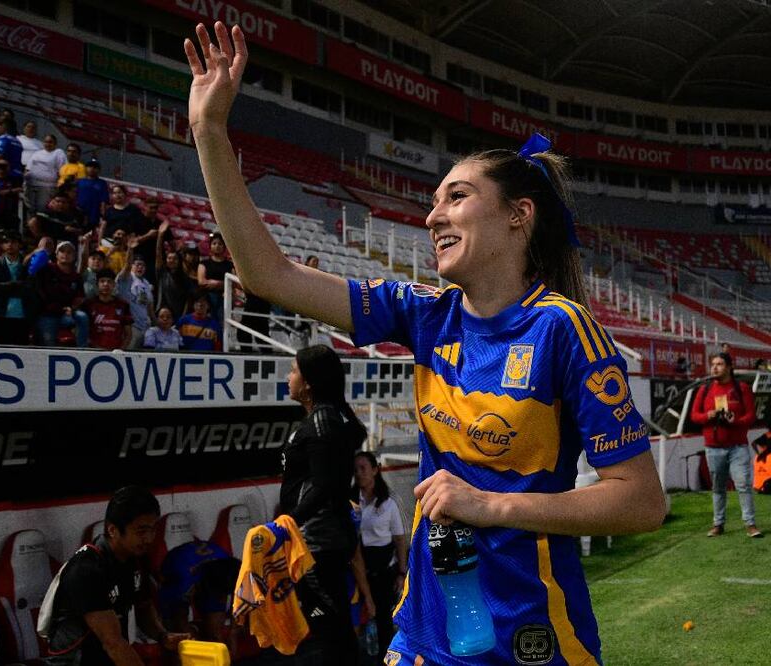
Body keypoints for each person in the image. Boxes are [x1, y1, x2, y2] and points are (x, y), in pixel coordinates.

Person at [184, 22, 665, 664]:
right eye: (433, 202)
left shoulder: (562, 329)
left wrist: (487, 504)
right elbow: (268, 275)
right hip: (424, 633)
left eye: (456, 198)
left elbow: (641, 501)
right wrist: (209, 133)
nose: (432, 215)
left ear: (518, 215)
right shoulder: (422, 315)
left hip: (529, 638)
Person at [281, 345, 368, 662]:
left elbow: (324, 485)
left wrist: (286, 522)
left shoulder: (322, 423)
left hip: (317, 542)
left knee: (327, 631)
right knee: (333, 628)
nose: (288, 377)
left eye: (293, 370)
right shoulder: (327, 419)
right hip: (320, 539)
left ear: (308, 382)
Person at [46, 486, 190, 664]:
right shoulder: (87, 570)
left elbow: (143, 605)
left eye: (153, 529)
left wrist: (162, 636)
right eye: (141, 531)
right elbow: (113, 643)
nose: (149, 538)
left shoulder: (135, 558)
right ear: (113, 530)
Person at [690, 352, 762, 538]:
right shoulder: (704, 390)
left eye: (720, 364)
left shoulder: (741, 388)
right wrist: (709, 416)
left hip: (737, 446)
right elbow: (694, 416)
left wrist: (735, 420)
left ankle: (750, 524)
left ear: (729, 367)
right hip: (713, 447)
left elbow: (750, 416)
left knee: (743, 484)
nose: (715, 368)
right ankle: (718, 524)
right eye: (713, 364)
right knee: (718, 487)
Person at [352, 451, 407, 661]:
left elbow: (400, 539)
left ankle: (386, 658)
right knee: (358, 617)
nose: (359, 474)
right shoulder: (350, 501)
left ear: (375, 470)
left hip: (383, 569)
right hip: (358, 568)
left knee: (384, 619)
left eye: (363, 468)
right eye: (356, 470)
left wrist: (401, 572)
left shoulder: (388, 503)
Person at [35, 240, 89, 347]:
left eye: (69, 252)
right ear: (56, 254)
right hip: (48, 312)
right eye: (62, 251)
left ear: (74, 256)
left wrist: (71, 308)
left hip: (68, 313)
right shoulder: (47, 269)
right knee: (48, 344)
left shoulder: (76, 276)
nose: (65, 254)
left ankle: (82, 349)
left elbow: (80, 297)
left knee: (82, 317)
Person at [0, 230, 32, 345]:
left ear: (19, 244)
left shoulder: (27, 264)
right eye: (6, 242)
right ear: (1, 245)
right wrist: (14, 285)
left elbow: (30, 287)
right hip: (1, 315)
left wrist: (5, 288)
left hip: (23, 315)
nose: (9, 245)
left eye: (13, 242)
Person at [80, 268, 132, 350]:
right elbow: (81, 332)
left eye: (109, 281)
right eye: (102, 281)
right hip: (92, 353)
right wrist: (96, 349)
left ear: (114, 285)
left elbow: (128, 334)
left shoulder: (123, 305)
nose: (106, 284)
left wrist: (120, 350)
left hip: (116, 354)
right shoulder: (88, 304)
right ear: (97, 284)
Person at [117, 252, 155, 349]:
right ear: (132, 265)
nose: (140, 267)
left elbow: (150, 308)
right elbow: (126, 266)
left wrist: (156, 323)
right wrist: (130, 249)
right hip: (131, 327)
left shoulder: (146, 283)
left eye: (142, 265)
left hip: (145, 328)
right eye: (137, 264)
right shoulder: (128, 278)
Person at [24, 134, 66, 215]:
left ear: (55, 143)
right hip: (31, 185)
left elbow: (61, 171)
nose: (48, 144)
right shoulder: (37, 153)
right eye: (46, 142)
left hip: (47, 187)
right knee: (30, 209)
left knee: (42, 209)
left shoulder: (58, 153)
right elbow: (28, 168)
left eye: (50, 142)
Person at [197, 231, 232, 322]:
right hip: (207, 298)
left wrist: (215, 283)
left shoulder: (229, 265)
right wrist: (222, 284)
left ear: (224, 247)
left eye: (220, 244)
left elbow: (233, 283)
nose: (217, 246)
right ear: (210, 246)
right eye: (214, 243)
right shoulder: (204, 263)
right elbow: (201, 281)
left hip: (224, 298)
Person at [76, 158, 109, 232]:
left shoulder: (102, 183)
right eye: (90, 166)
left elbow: (104, 200)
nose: (92, 169)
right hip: (79, 211)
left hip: (94, 213)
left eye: (95, 167)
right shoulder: (80, 181)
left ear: (99, 170)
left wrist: (103, 215)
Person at [751, 420, 771, 493]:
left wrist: (758, 454)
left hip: (767, 458)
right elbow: (754, 443)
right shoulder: (768, 436)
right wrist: (758, 453)